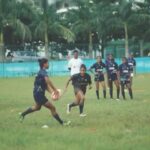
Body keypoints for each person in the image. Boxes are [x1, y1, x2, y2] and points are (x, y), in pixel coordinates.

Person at [20, 58, 70, 126]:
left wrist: (53, 93)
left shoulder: (41, 72)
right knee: (52, 107)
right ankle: (62, 123)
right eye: (47, 63)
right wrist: (55, 90)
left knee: (37, 107)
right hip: (39, 94)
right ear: (44, 64)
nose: (48, 64)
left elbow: (46, 86)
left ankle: (22, 114)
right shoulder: (43, 71)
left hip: (37, 93)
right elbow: (47, 81)